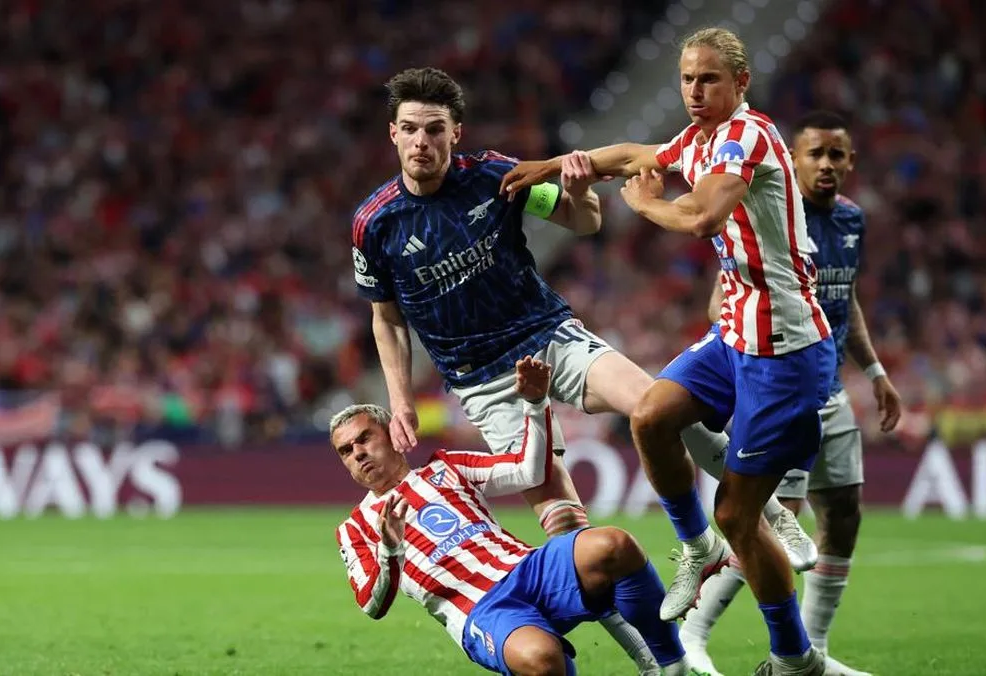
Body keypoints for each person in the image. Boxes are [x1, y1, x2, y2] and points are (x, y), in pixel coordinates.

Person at [350, 66, 769, 644]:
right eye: (411, 129)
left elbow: (587, 219)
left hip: (549, 336)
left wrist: (574, 190)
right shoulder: (372, 224)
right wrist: (400, 401)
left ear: (455, 132)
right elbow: (386, 316)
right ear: (393, 133)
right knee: (569, 534)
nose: (423, 141)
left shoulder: (498, 175)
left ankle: (763, 517)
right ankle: (661, 658)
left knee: (658, 405)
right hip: (484, 383)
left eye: (435, 129)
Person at [501, 27, 833, 675]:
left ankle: (794, 657)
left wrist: (648, 203)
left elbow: (702, 216)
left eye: (708, 78)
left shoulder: (746, 136)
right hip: (736, 332)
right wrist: (553, 165)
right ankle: (696, 547)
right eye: (686, 78)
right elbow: (634, 153)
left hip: (784, 351)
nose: (694, 90)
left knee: (739, 514)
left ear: (741, 83)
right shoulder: (701, 138)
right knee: (651, 415)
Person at [680, 111, 902, 676]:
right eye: (815, 154)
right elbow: (721, 301)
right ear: (792, 159)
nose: (826, 164)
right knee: (766, 519)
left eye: (836, 155)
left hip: (832, 385)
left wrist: (876, 370)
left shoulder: (851, 219)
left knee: (844, 512)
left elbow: (845, 298)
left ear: (850, 162)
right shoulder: (772, 211)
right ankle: (693, 632)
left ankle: (815, 650)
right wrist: (747, 364)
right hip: (781, 383)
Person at [332, 357, 697, 676]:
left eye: (365, 438)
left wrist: (536, 404)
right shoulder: (355, 528)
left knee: (614, 544)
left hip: (528, 570)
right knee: (542, 659)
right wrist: (391, 549)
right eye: (346, 450)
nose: (358, 453)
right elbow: (371, 605)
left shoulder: (445, 466)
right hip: (481, 609)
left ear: (392, 435)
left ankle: (670, 666)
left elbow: (529, 472)